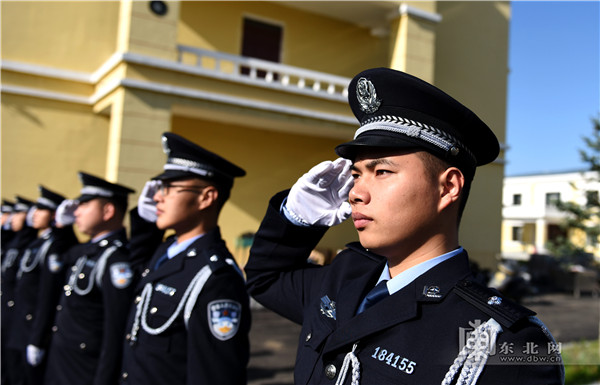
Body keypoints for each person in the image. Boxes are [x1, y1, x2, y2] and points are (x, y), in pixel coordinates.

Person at [245, 68, 564, 384]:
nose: (355, 193)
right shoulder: (345, 276)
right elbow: (264, 279)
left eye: (381, 171)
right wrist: (296, 218)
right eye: (356, 175)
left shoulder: (503, 341)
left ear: (448, 188)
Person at [120, 132, 250, 385]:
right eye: (160, 187)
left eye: (169, 188)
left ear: (206, 197)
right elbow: (138, 265)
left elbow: (215, 375)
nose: (158, 196)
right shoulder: (166, 250)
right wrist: (145, 221)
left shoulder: (216, 277)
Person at [43, 172, 135, 385]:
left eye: (84, 205)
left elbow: (115, 331)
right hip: (63, 362)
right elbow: (61, 258)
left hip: (85, 370)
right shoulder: (88, 250)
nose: (77, 211)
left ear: (108, 211)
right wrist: (61, 227)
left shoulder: (116, 260)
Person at [6, 186, 79, 385]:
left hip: (31, 329)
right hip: (18, 328)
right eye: (34, 209)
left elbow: (48, 295)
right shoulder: (37, 243)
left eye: (42, 210)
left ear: (54, 214)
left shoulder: (55, 246)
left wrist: (37, 339)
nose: (34, 214)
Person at [1, 196, 38, 385]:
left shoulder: (33, 247)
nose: (9, 219)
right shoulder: (16, 244)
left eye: (17, 214)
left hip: (22, 324)